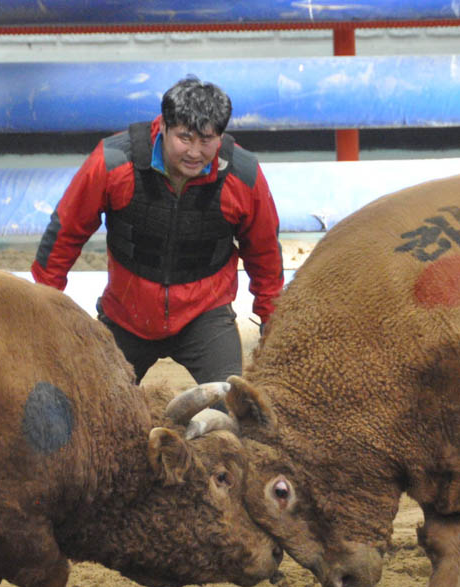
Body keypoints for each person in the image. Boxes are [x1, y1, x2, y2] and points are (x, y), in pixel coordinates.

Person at [32, 76, 283, 386]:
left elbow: (265, 255)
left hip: (205, 315)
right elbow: (65, 232)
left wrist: (271, 325)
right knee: (97, 412)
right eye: (185, 137)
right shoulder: (112, 162)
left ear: (220, 136)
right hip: (126, 315)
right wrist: (42, 305)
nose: (194, 152)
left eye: (206, 140)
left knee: (229, 410)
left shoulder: (243, 175)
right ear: (163, 127)